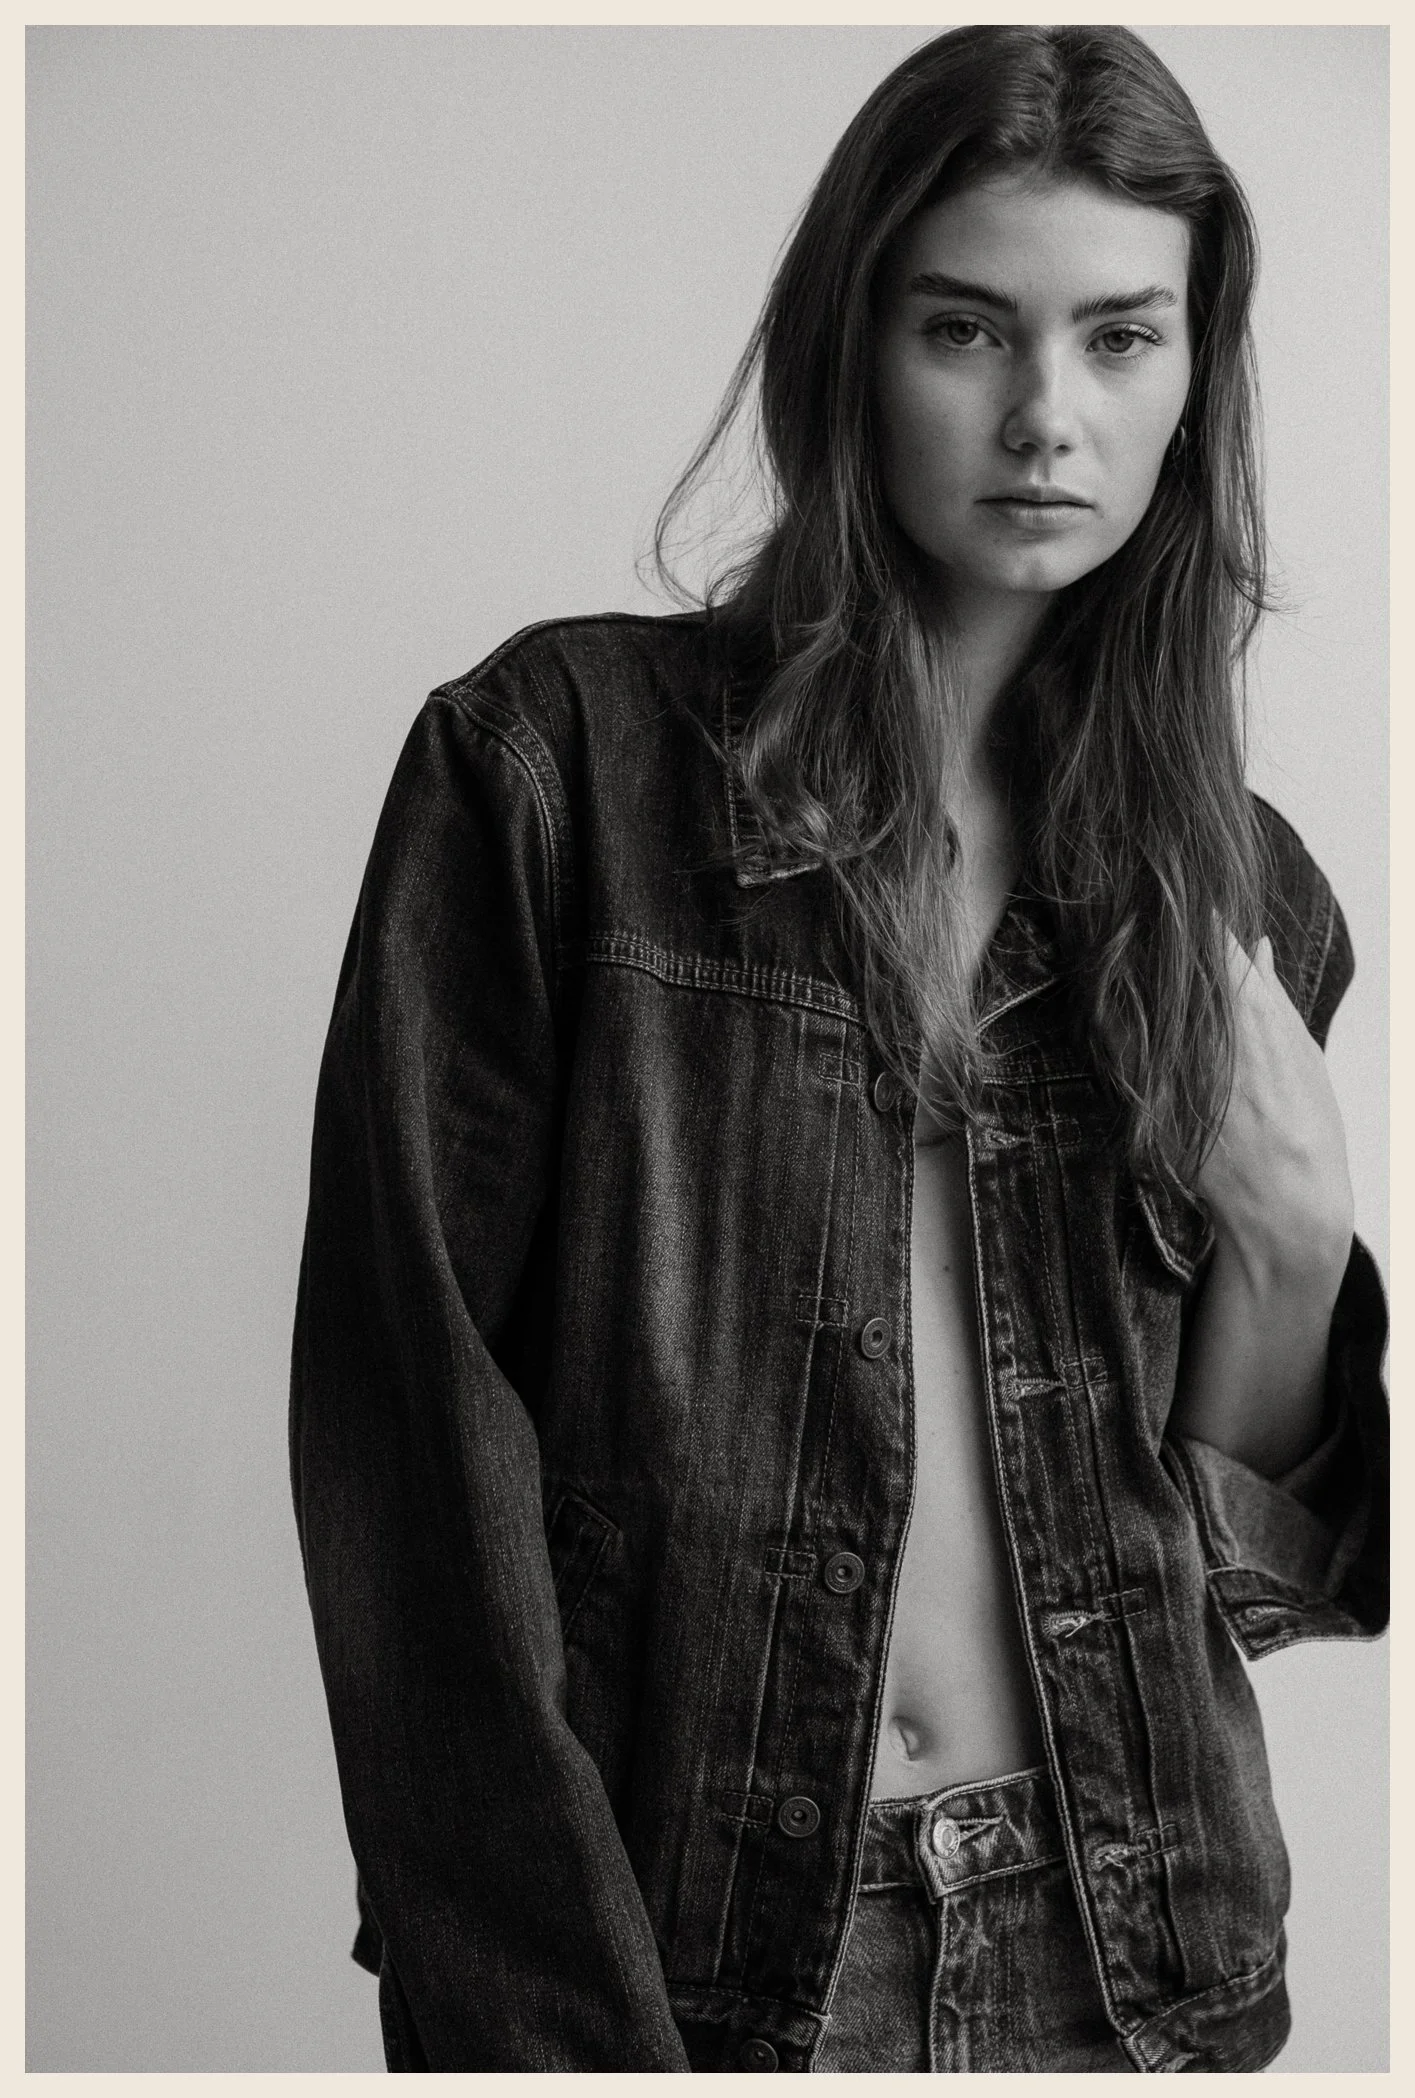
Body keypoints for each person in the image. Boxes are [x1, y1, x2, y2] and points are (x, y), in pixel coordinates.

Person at [290, 23, 1388, 2075]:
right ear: (848, 344)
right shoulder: (553, 777)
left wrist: (1296, 1240)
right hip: (712, 1976)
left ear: (1189, 375)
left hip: (1133, 1954)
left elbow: (1237, 1585)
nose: (1045, 415)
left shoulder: (1237, 888)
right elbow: (412, 1467)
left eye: (1118, 339)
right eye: (965, 328)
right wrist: (539, 2018)